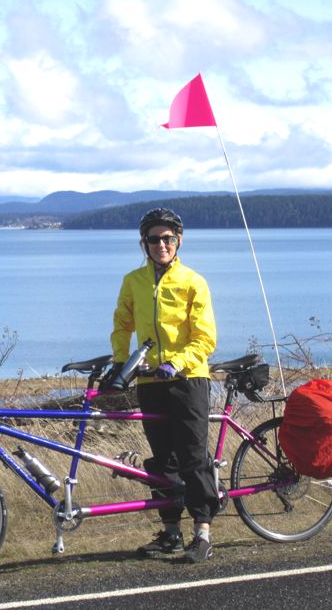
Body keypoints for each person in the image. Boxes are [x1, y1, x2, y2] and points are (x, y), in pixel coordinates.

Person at [110, 207, 218, 563]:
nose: (161, 244)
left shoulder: (193, 281)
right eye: (154, 239)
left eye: (168, 238)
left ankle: (202, 531)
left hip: (188, 380)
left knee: (192, 457)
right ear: (144, 243)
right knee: (162, 460)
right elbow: (122, 323)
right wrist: (118, 363)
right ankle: (171, 531)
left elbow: (205, 338)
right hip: (149, 381)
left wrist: (178, 362)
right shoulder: (133, 281)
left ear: (179, 241)